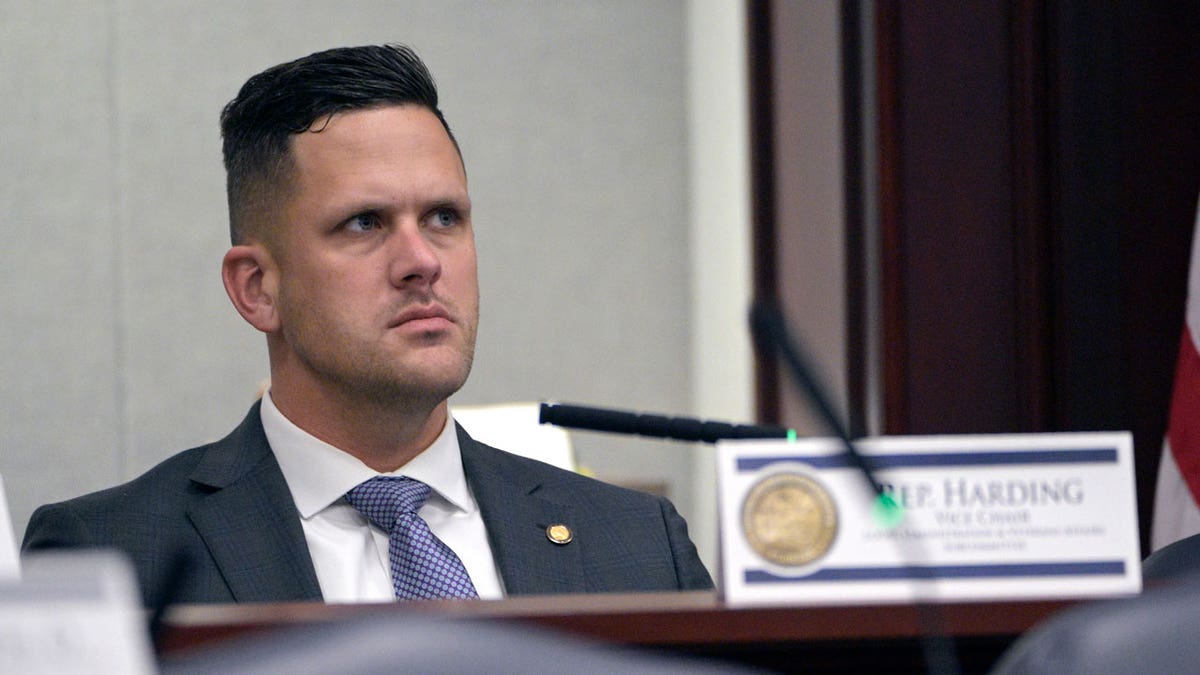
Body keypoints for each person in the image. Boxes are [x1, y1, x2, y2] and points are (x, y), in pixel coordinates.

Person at [21, 44, 713, 608]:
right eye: (364, 223)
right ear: (258, 288)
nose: (421, 262)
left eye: (445, 217)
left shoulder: (637, 545)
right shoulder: (110, 556)